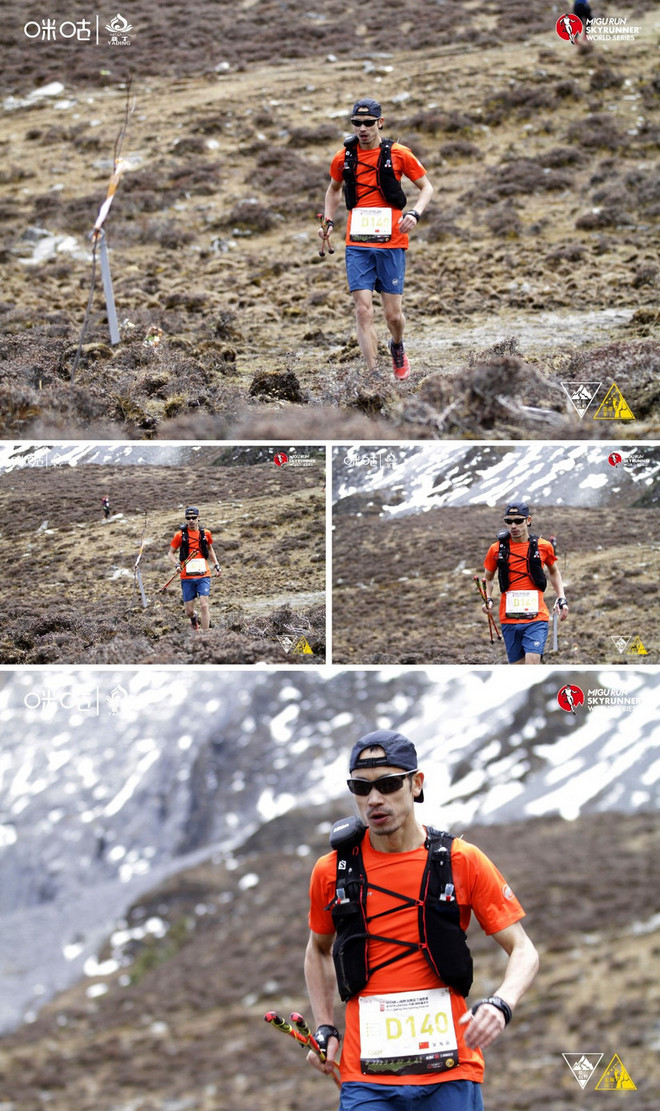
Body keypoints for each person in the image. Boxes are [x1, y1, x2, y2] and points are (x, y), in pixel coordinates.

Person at [305, 731, 539, 1111]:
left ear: (416, 784)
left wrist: (501, 1004)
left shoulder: (462, 860)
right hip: (367, 1082)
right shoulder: (332, 871)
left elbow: (523, 949)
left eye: (388, 784)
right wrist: (324, 1027)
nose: (374, 799)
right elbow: (317, 950)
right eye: (361, 788)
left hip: (451, 1072)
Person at [319, 97, 433, 381]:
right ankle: (373, 377)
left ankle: (397, 345)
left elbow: (426, 188)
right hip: (357, 244)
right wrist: (328, 221)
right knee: (363, 310)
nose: (362, 128)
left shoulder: (399, 153)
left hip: (392, 243)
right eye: (357, 123)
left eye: (368, 123)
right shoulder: (343, 157)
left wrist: (415, 213)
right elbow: (333, 190)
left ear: (380, 123)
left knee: (393, 316)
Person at [482, 501, 568, 665]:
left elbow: (554, 572)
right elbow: (489, 578)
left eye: (518, 521)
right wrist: (488, 598)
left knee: (532, 663)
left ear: (528, 520)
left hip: (536, 618)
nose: (513, 526)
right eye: (509, 521)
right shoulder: (496, 549)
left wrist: (561, 597)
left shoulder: (544, 546)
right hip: (509, 619)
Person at [168, 506, 220, 631]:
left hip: (203, 575)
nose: (191, 520)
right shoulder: (179, 535)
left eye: (193, 517)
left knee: (204, 605)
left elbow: (210, 549)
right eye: (188, 518)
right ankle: (194, 617)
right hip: (187, 576)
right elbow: (170, 553)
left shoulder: (206, 533)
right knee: (189, 612)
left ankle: (205, 635)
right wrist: (176, 564)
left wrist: (216, 564)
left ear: (198, 518)